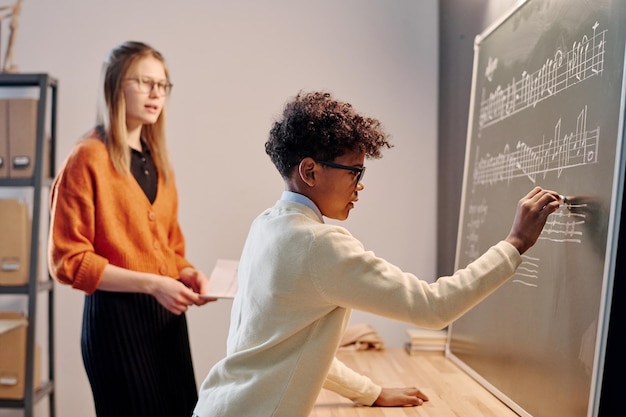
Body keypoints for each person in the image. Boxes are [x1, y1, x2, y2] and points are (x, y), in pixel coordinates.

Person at [193, 91, 562, 417]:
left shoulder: (266, 224)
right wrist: (515, 243)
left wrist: (370, 392)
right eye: (354, 171)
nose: (361, 184)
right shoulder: (319, 244)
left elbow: (286, 346)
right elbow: (431, 307)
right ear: (310, 171)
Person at [48, 41, 214, 417]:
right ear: (115, 87)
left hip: (166, 324)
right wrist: (153, 284)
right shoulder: (87, 157)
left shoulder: (158, 162)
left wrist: (186, 272)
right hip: (116, 327)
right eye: (144, 82)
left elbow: (165, 246)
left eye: (162, 84)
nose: (156, 93)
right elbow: (68, 261)